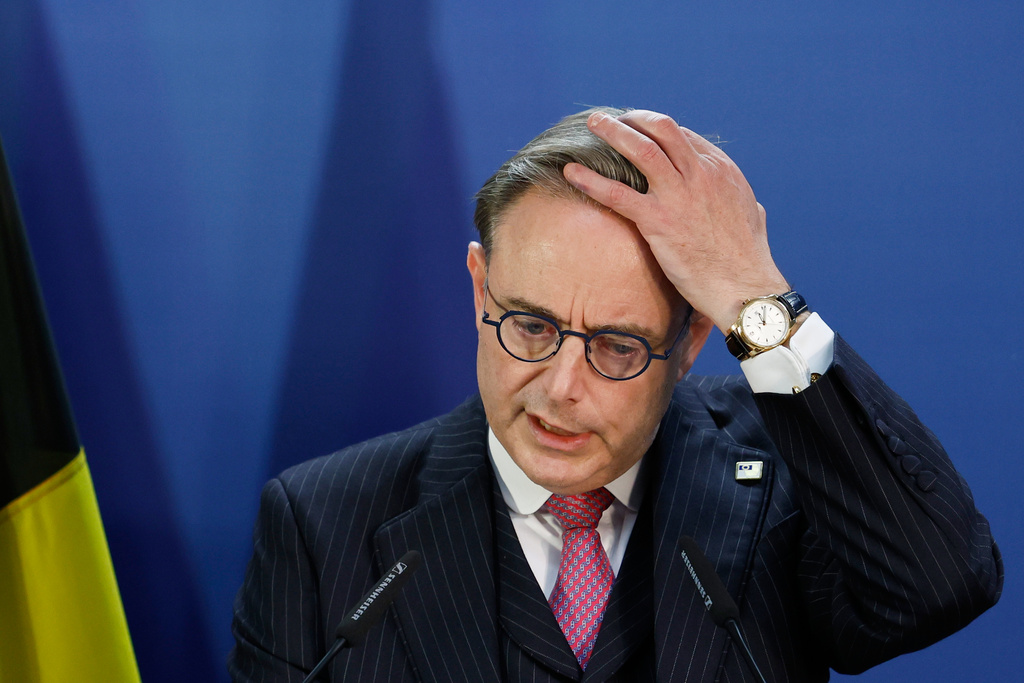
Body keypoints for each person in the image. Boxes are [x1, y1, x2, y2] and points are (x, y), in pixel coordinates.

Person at [229, 107, 1002, 682]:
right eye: (529, 325)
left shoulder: (786, 486)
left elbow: (937, 581)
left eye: (617, 346)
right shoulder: (320, 522)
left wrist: (755, 297)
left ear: (694, 339)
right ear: (478, 288)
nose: (562, 389)